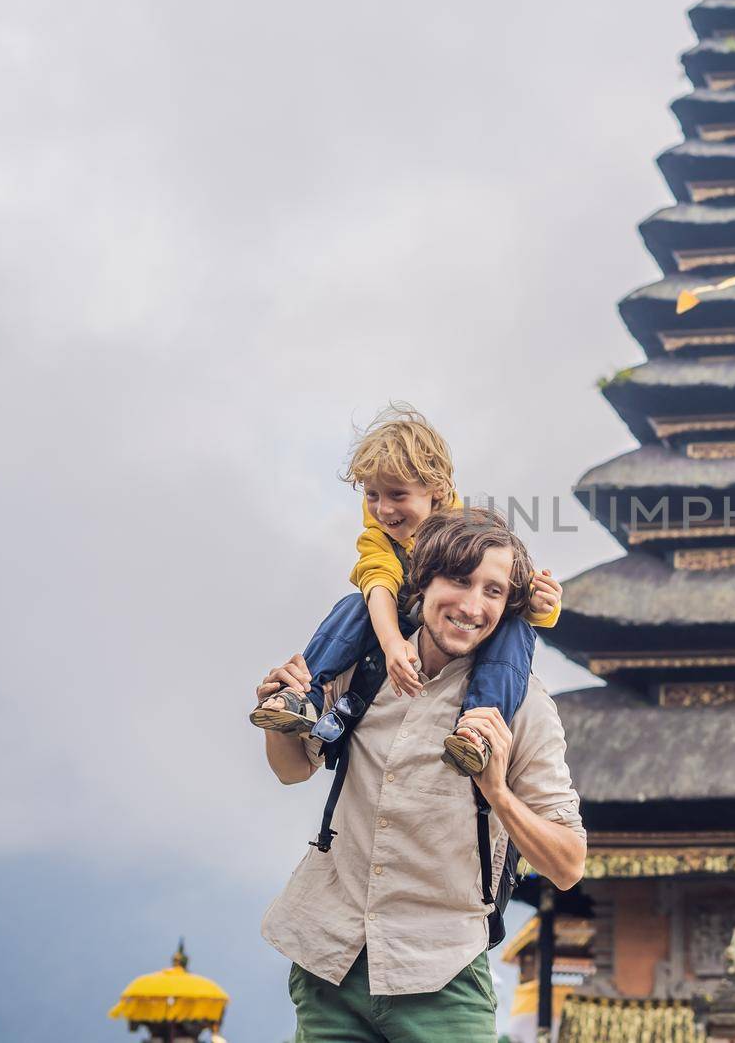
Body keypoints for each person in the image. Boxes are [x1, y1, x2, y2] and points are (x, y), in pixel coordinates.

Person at [258, 506, 586, 1042]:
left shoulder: (521, 707)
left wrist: (497, 792)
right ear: (424, 579)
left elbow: (569, 864)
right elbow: (293, 771)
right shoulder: (365, 665)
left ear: (509, 607)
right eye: (458, 580)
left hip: (441, 975)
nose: (472, 606)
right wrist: (278, 719)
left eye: (493, 591)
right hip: (330, 960)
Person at [251, 404, 561, 776]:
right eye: (372, 495)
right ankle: (302, 694)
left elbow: (498, 597)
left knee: (516, 629)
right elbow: (378, 583)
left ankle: (478, 726)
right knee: (354, 604)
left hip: (456, 631)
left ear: (437, 491)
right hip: (400, 622)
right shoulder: (378, 536)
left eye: (397, 495)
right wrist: (392, 643)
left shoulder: (470, 533)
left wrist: (542, 605)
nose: (383, 509)